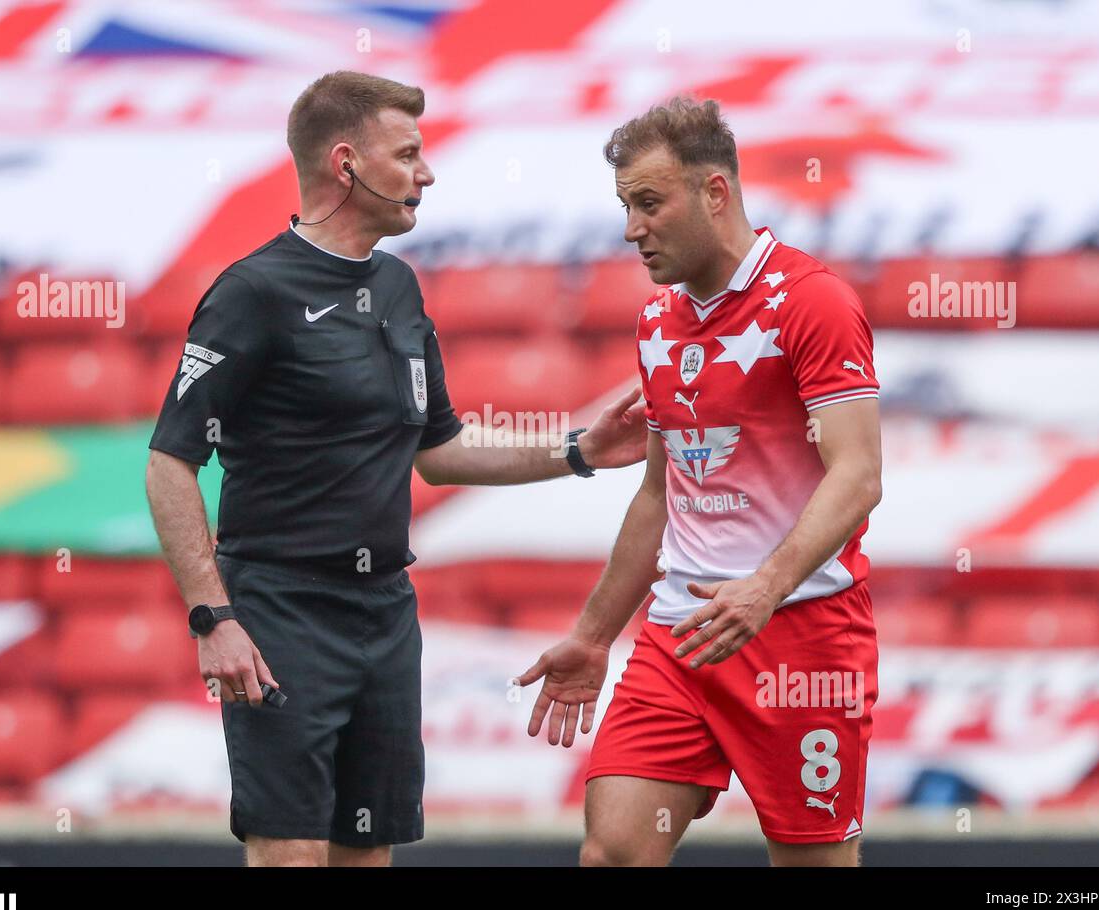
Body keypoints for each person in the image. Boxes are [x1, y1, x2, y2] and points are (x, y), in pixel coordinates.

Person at [145, 71, 647, 867]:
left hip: (384, 611)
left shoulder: (399, 286)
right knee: (294, 858)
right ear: (346, 164)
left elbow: (439, 451)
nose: (427, 172)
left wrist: (578, 448)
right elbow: (171, 462)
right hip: (281, 610)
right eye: (408, 153)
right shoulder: (253, 292)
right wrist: (214, 618)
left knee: (367, 858)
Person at [518, 96, 883, 867]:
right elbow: (659, 493)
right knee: (613, 851)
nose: (630, 228)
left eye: (649, 203)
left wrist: (765, 587)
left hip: (802, 640)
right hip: (682, 634)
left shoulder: (812, 301)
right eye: (625, 206)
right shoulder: (657, 321)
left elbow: (858, 475)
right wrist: (591, 637)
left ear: (715, 192)